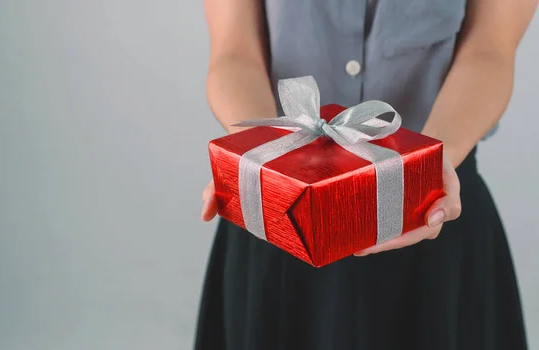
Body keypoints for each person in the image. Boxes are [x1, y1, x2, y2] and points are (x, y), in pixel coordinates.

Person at [195, 0, 537, 349]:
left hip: (428, 206)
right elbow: (234, 52)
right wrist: (256, 162)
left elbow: (490, 50)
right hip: (282, 216)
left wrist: (430, 164)